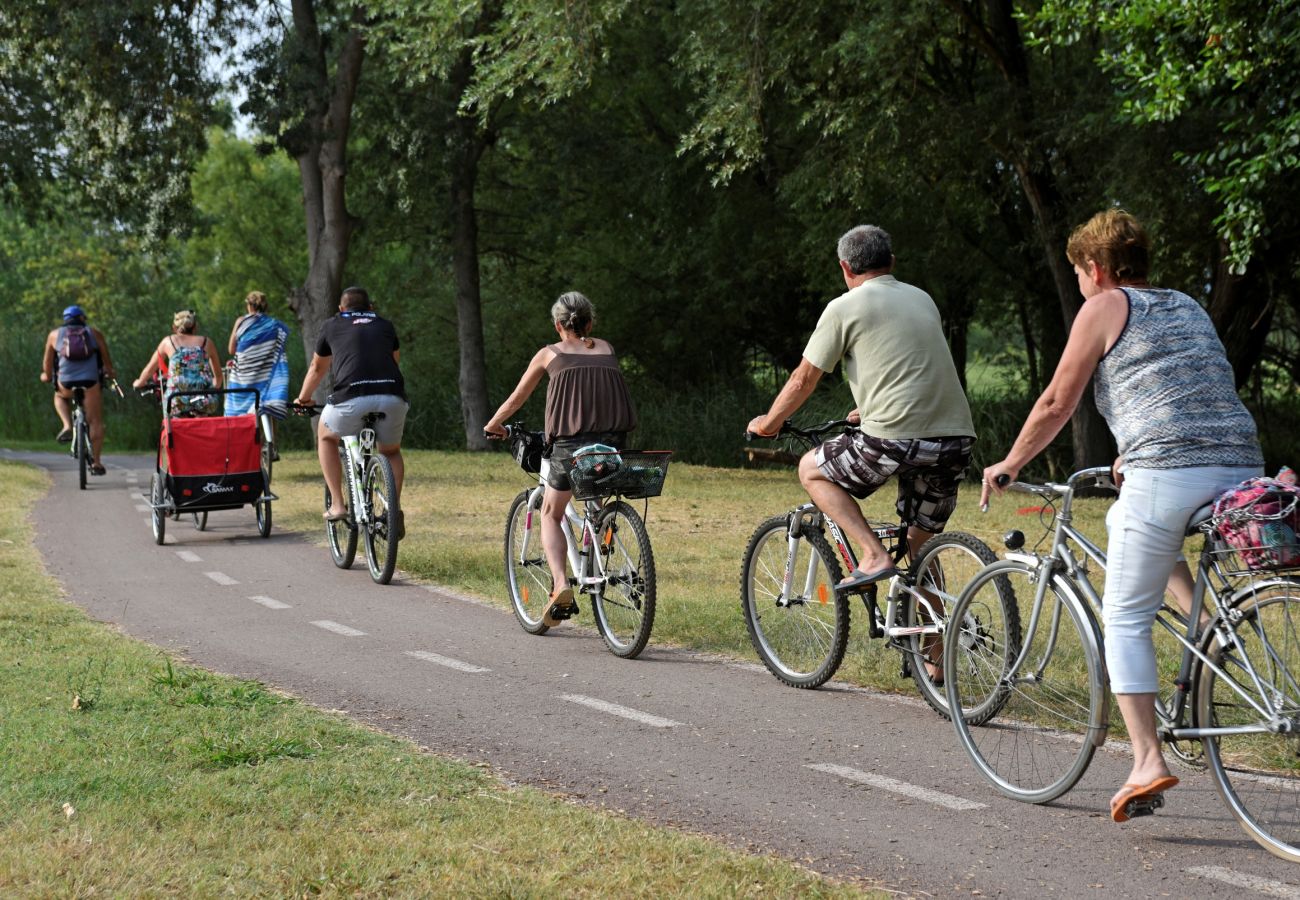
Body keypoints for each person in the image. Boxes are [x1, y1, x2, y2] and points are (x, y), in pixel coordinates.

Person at [980, 209, 1263, 823]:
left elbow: (1058, 401)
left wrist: (1008, 462)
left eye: (1080, 270)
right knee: (1124, 527)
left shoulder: (1104, 306)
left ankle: (1145, 761)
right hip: (1240, 465)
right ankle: (1208, 623)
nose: (1081, 282)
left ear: (1098, 268)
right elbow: (1183, 387)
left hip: (1169, 472)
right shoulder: (1186, 303)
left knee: (1124, 619)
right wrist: (1131, 454)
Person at [746, 225, 976, 680]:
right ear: (891, 262)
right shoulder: (922, 298)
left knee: (812, 469)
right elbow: (913, 367)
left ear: (845, 267)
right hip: (954, 439)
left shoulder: (844, 306)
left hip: (895, 437)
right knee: (918, 548)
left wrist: (769, 424)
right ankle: (934, 653)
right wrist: (870, 405)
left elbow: (803, 378)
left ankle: (871, 555)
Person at [484, 291, 638, 627]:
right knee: (592, 498)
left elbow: (516, 399)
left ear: (558, 325)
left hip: (570, 449)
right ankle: (601, 535)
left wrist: (494, 425)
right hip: (614, 445)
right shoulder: (607, 348)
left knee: (551, 514)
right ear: (590, 323)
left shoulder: (549, 354)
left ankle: (559, 585)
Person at [293, 286, 407, 538]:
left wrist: (303, 399)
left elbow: (317, 368)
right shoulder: (385, 325)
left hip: (351, 396)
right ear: (370, 308)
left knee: (325, 436)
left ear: (341, 309)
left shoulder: (331, 325)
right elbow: (394, 360)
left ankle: (337, 504)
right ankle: (393, 509)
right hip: (392, 395)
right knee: (391, 451)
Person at [40, 305, 116, 475]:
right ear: (82, 318)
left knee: (59, 396)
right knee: (95, 420)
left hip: (66, 382)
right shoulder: (94, 333)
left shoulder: (54, 335)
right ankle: (96, 463)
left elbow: (47, 363)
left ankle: (67, 424)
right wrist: (110, 372)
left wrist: (46, 376)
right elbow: (106, 360)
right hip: (90, 382)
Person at [225, 291, 291, 447]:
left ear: (249, 305)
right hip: (266, 375)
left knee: (235, 403)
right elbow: (278, 349)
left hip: (244, 376)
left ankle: (241, 443)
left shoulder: (241, 321)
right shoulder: (274, 324)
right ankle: (272, 443)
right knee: (270, 403)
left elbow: (231, 349)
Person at [132, 310, 223, 416]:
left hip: (176, 402)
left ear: (174, 328)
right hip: (205, 402)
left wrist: (139, 382)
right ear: (195, 327)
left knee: (171, 415)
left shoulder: (168, 341)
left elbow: (149, 369)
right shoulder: (207, 342)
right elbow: (219, 378)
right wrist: (211, 387)